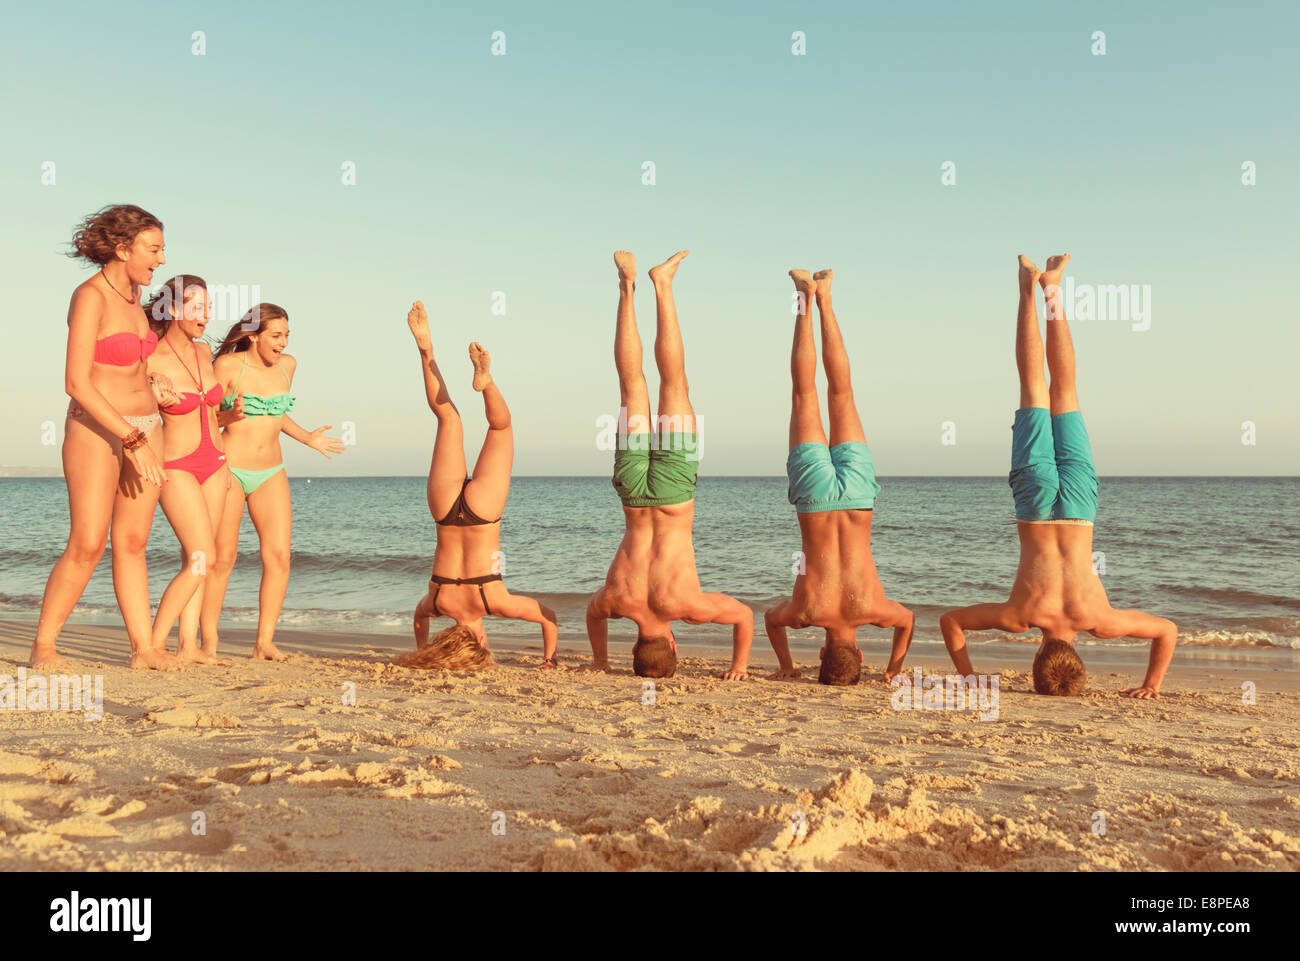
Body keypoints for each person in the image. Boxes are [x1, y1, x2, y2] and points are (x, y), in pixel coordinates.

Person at [934, 254, 1177, 697]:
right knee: (1033, 387)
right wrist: (968, 676)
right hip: (1035, 504)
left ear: (1079, 659)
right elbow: (950, 622)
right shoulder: (1020, 617)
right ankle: (1029, 287)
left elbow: (1167, 631)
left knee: (1065, 391)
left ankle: (1053, 288)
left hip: (1081, 508)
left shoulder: (1101, 622)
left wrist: (1153, 684)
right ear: (1035, 657)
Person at [585, 251, 753, 679]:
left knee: (674, 383)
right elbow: (593, 615)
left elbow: (744, 617)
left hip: (676, 492)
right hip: (632, 494)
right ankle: (626, 287)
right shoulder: (616, 602)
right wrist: (600, 660)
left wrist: (739, 668)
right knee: (631, 385)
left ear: (673, 642)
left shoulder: (688, 608)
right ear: (637, 644)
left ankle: (663, 284)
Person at [30, 204, 178, 671]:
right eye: (153, 249)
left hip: (149, 427)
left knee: (133, 543)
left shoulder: (137, 299)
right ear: (121, 248)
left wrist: (153, 384)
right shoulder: (89, 295)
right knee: (88, 542)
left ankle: (145, 648)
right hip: (97, 430)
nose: (161, 259)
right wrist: (129, 438)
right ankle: (44, 646)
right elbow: (77, 381)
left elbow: (130, 364)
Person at [763, 269, 915, 685]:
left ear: (860, 651)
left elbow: (908, 621)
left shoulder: (877, 612)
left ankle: (827, 297)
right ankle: (804, 298)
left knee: (842, 392)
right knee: (803, 392)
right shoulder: (806, 614)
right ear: (823, 650)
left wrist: (894, 668)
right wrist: (787, 666)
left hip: (859, 497)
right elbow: (770, 620)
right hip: (814, 499)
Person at [398, 300, 558, 670]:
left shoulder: (496, 603)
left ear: (480, 641)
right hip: (444, 511)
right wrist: (423, 649)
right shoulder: (435, 603)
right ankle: (426, 350)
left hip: (484, 514)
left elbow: (548, 616)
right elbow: (418, 619)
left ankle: (487, 384)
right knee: (448, 419)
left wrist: (549, 660)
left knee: (501, 428)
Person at [204, 304, 343, 660]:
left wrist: (309, 438)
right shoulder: (227, 366)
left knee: (279, 557)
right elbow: (206, 421)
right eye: (276, 336)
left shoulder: (288, 366)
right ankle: (208, 643)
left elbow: (277, 415)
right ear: (253, 335)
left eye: (286, 336)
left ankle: (263, 643)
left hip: (271, 471)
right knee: (223, 559)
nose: (282, 344)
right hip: (230, 469)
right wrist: (226, 415)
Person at [144, 275, 230, 664]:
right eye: (197, 307)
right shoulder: (151, 357)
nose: (206, 316)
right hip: (177, 466)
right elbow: (127, 398)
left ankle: (188, 645)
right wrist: (148, 387)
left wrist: (231, 414)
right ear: (173, 309)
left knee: (196, 560)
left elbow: (210, 410)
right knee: (201, 556)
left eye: (209, 308)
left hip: (216, 464)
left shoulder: (202, 352)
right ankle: (153, 645)